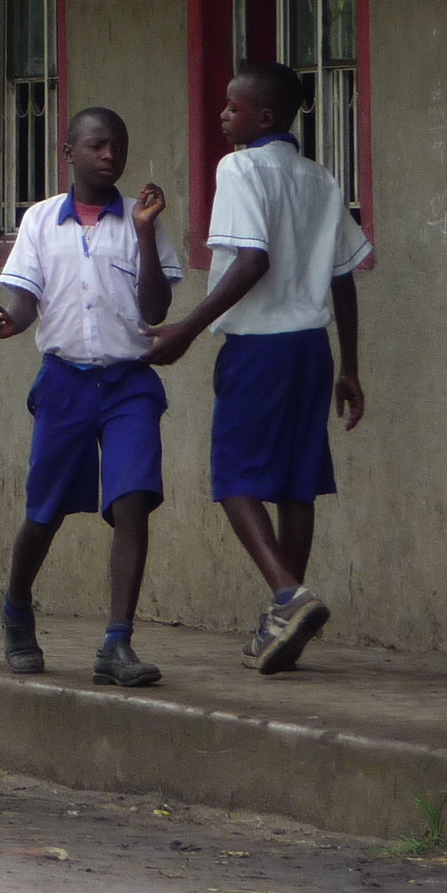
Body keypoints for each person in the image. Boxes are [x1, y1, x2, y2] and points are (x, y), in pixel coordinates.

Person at [147, 63, 371, 675]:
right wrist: (350, 366)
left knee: (234, 475)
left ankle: (288, 593)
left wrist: (185, 331)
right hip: (310, 348)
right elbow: (343, 276)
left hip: (260, 348)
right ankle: (284, 622)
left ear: (264, 118)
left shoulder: (239, 167)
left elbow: (251, 262)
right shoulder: (321, 179)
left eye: (231, 106)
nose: (222, 115)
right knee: (297, 484)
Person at [0, 107, 182, 686]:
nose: (109, 155)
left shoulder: (141, 221)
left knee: (132, 501)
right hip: (65, 382)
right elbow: (22, 306)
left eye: (118, 145)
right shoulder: (40, 221)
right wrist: (2, 323)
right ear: (69, 152)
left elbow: (157, 310)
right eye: (97, 145)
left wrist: (143, 231)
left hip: (129, 384)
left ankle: (117, 643)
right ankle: (17, 608)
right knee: (44, 510)